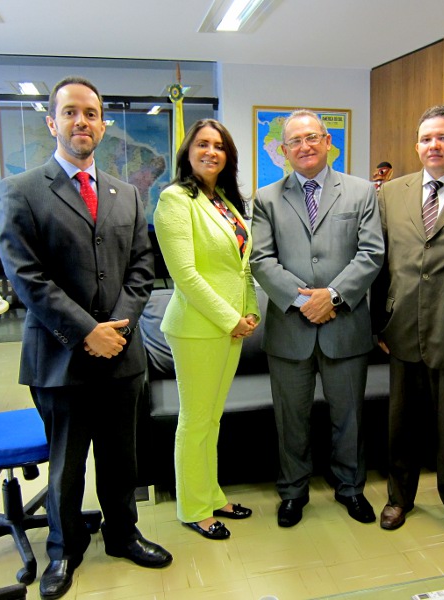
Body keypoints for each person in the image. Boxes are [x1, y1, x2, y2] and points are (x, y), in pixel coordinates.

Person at [0, 76, 172, 600]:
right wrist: (85, 332)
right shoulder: (23, 190)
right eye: (71, 112)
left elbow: (143, 267)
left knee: (122, 457)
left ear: (103, 123)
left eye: (92, 113)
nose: (82, 122)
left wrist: (115, 328)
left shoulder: (128, 195)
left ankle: (122, 534)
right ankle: (62, 548)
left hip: (122, 353)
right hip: (59, 355)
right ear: (53, 122)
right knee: (67, 463)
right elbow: (26, 276)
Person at [250, 109, 384, 527]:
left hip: (346, 327)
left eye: (312, 138)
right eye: (295, 141)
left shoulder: (361, 192)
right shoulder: (266, 198)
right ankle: (293, 492)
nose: (304, 147)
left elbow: (372, 253)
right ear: (284, 151)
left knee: (350, 418)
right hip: (290, 329)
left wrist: (333, 296)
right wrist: (301, 299)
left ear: (328, 141)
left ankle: (351, 488)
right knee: (291, 420)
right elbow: (260, 258)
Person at [372, 106, 444, 536]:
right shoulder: (392, 192)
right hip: (400, 326)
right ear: (416, 145)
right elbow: (381, 263)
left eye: (443, 137)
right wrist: (376, 322)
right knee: (400, 422)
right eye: (425, 139)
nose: (433, 146)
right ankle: (399, 498)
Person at [153, 119, 259, 540]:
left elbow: (241, 265)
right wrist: (230, 318)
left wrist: (249, 312)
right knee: (195, 420)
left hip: (230, 327)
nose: (211, 152)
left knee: (212, 420)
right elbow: (186, 275)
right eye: (202, 144)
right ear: (188, 151)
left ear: (227, 155)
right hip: (197, 328)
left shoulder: (224, 201)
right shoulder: (175, 199)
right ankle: (193, 507)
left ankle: (211, 493)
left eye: (219, 146)